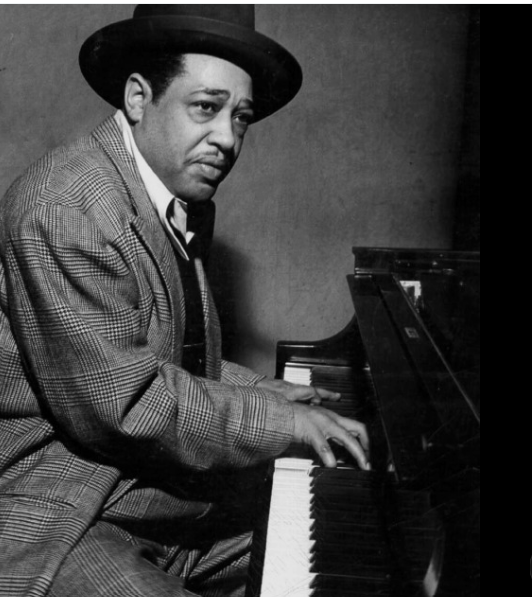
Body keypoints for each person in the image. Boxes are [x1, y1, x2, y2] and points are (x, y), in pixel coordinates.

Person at [0, 6, 369, 597]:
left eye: (240, 116)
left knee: (348, 535)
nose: (227, 138)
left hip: (146, 493)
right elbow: (128, 404)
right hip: (62, 511)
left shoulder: (162, 194)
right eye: (205, 107)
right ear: (139, 97)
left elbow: (160, 355)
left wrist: (261, 390)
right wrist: (281, 421)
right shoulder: (67, 205)